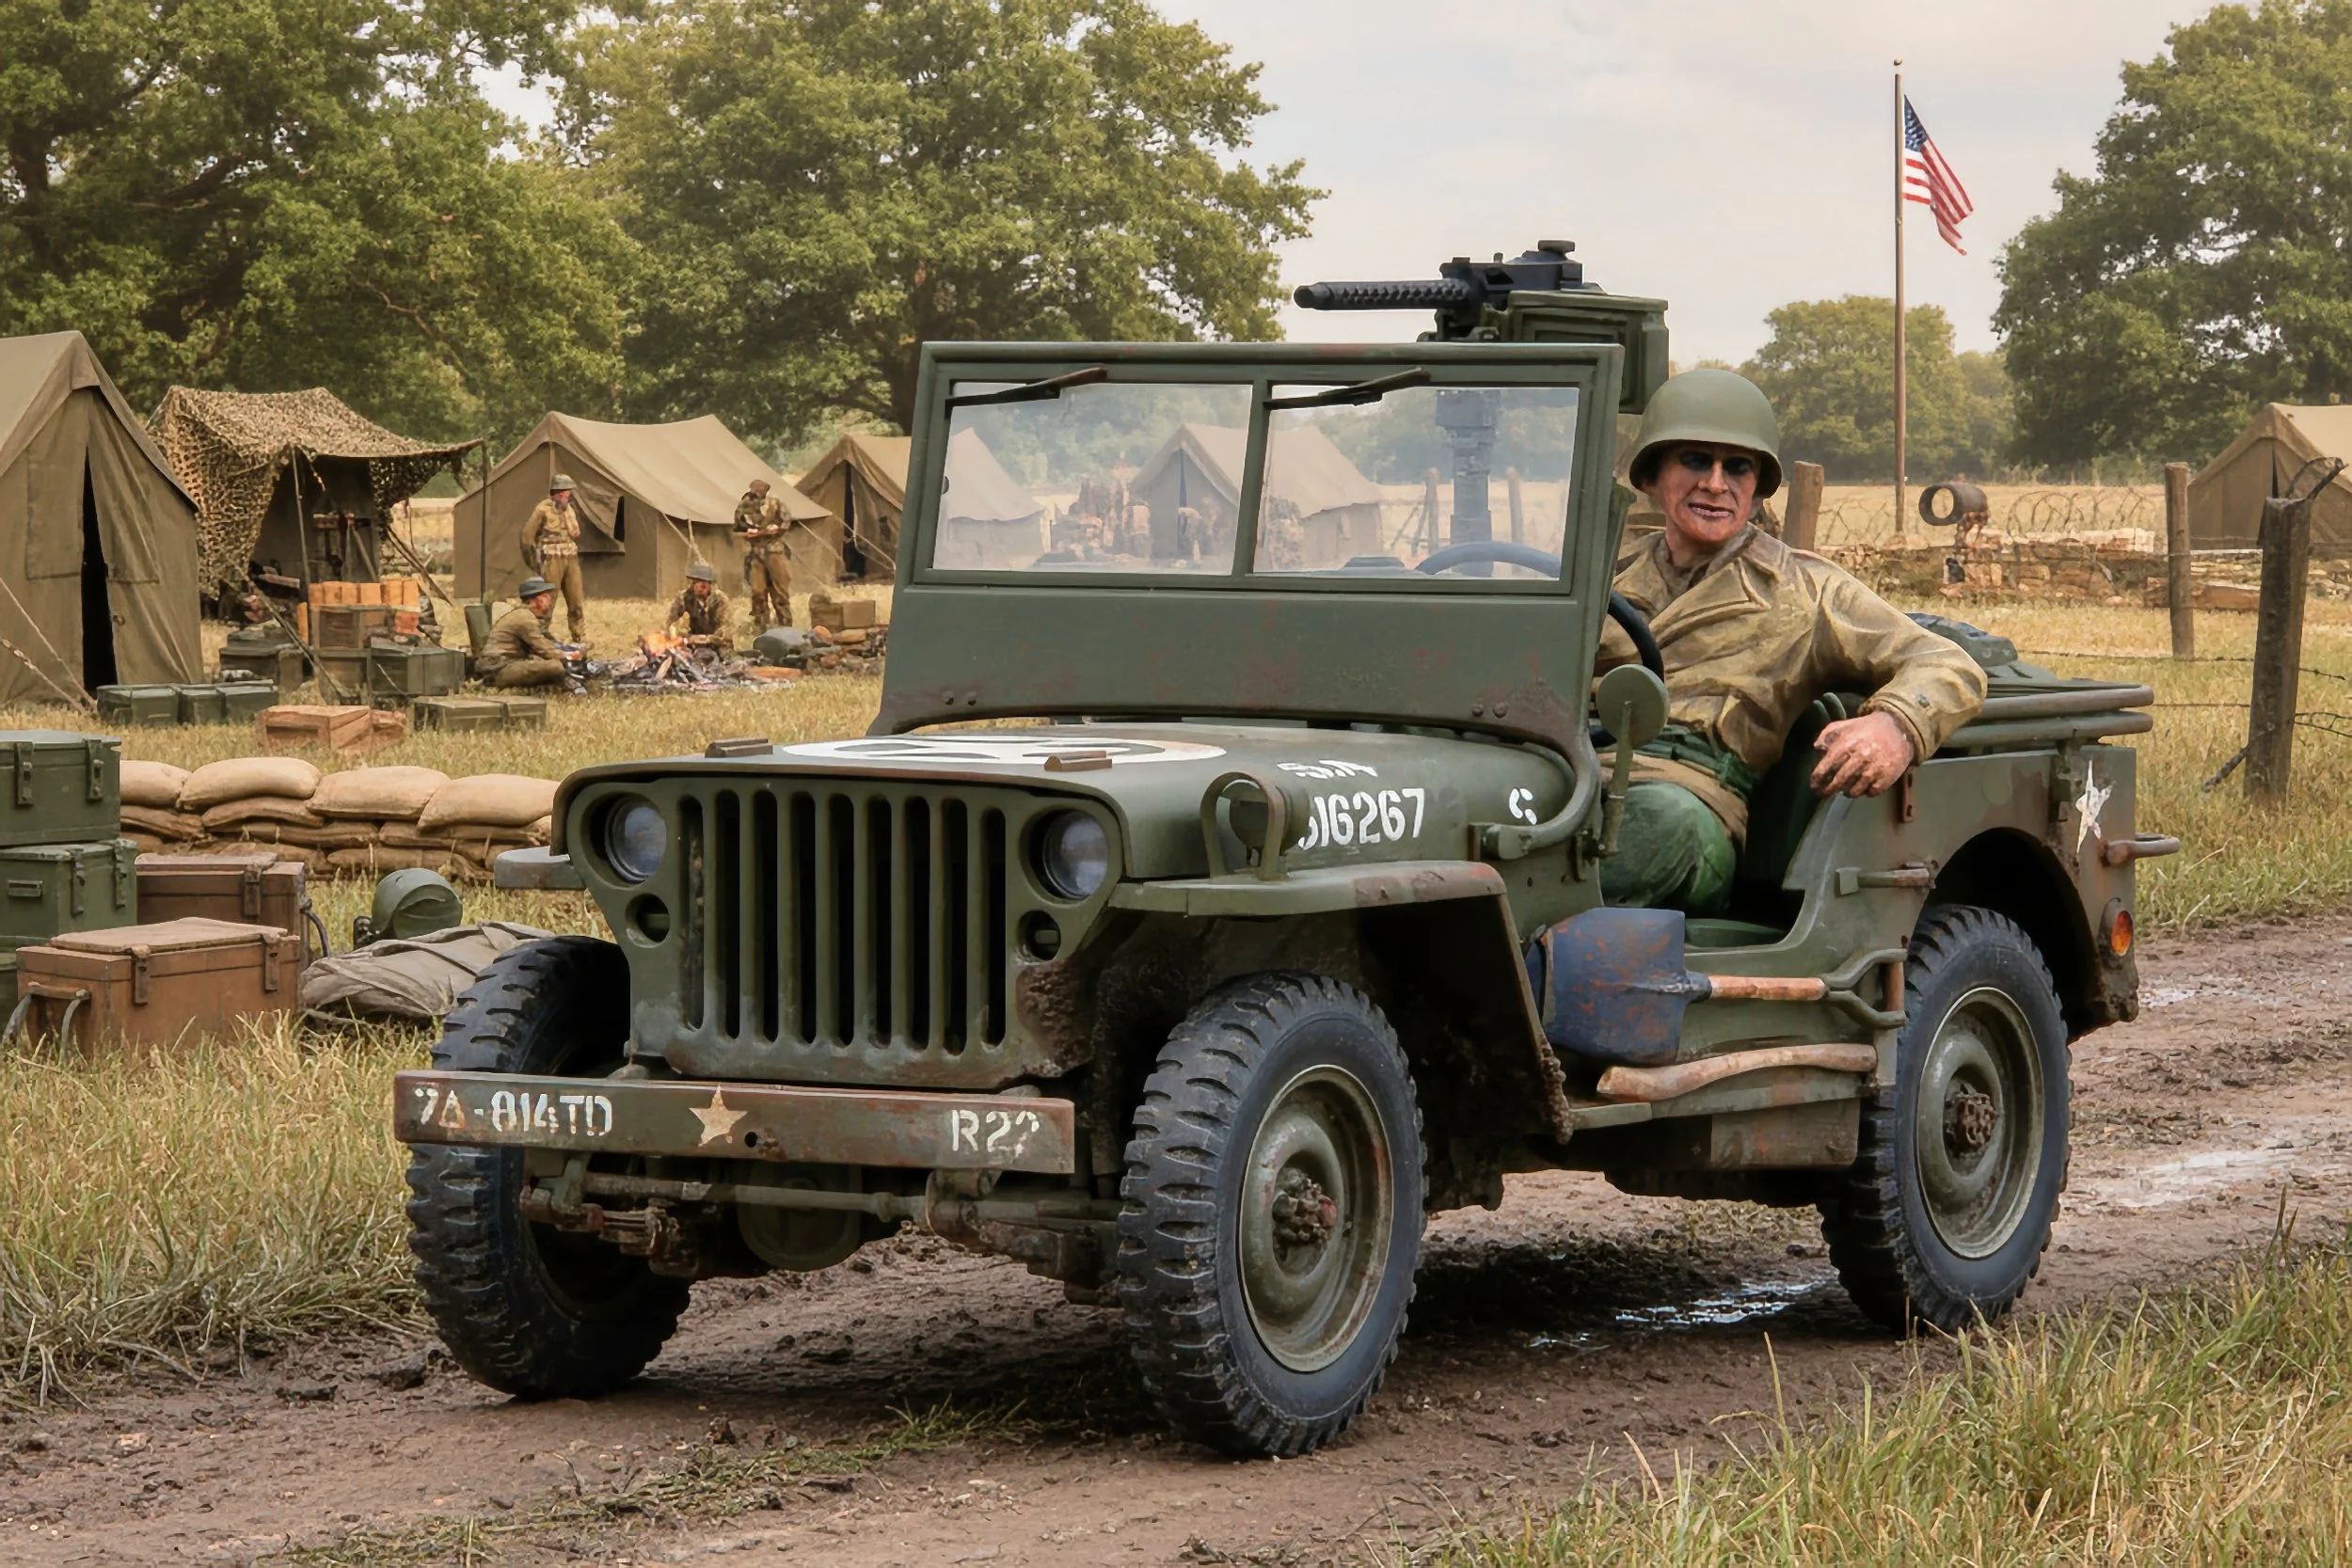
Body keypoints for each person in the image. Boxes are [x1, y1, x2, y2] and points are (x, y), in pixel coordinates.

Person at [1595, 368, 1987, 915]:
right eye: (1693, 461)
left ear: (1756, 487)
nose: (1715, 483)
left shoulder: (1806, 589)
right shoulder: (1606, 575)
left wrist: (1895, 725)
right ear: (1652, 474)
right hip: (1577, 773)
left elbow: (1949, 665)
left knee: (1654, 831)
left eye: (1737, 467)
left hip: (1692, 799)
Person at [476, 578, 577, 690]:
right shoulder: (525, 618)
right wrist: (570, 657)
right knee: (555, 667)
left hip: (504, 666)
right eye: (546, 596)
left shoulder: (526, 615)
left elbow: (547, 644)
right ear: (539, 600)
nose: (550, 601)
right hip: (498, 671)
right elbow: (544, 649)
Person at [523, 473, 590, 643]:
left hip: (571, 558)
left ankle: (579, 639)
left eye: (568, 492)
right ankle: (539, 638)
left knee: (576, 601)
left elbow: (575, 533)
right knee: (546, 602)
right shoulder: (542, 510)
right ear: (555, 492)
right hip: (552, 559)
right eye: (563, 492)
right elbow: (527, 536)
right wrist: (533, 562)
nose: (566, 495)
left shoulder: (570, 510)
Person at [733, 476, 796, 632]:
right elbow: (738, 526)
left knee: (780, 592)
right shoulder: (745, 505)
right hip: (756, 553)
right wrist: (747, 533)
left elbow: (786, 521)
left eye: (758, 491)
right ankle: (762, 626)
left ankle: (785, 626)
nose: (755, 493)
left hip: (775, 551)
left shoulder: (775, 504)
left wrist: (777, 529)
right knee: (758, 591)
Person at [664, 561, 735, 653]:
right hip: (692, 645)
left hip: (716, 646)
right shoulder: (684, 598)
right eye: (695, 582)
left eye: (703, 584)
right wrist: (682, 637)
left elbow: (726, 631)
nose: (698, 587)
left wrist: (707, 639)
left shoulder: (720, 600)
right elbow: (670, 624)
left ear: (710, 584)